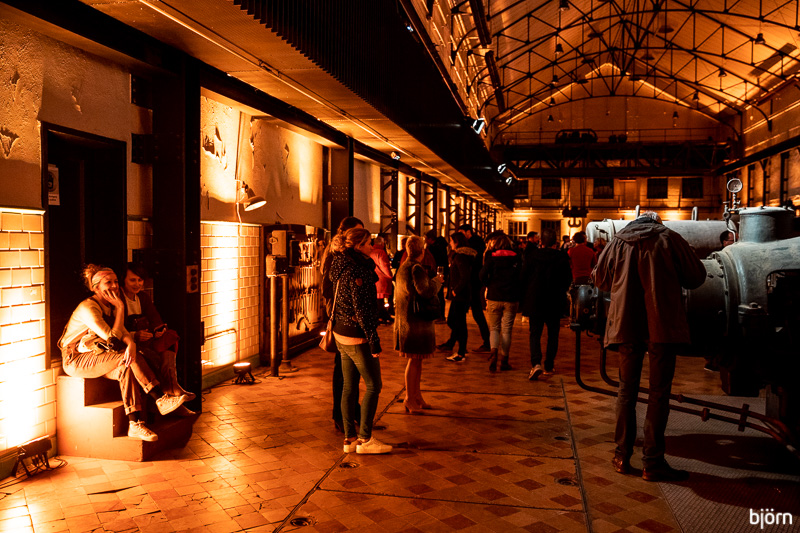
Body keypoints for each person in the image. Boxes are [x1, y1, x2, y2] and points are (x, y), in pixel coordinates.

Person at [593, 211, 706, 482]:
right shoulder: (670, 239)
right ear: (658, 223)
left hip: (626, 325)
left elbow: (601, 281)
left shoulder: (618, 241)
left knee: (626, 391)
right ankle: (652, 463)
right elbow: (696, 277)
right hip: (662, 326)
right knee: (658, 393)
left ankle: (622, 456)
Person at [58, 265, 189, 442]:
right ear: (96, 287)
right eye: (108, 283)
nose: (113, 286)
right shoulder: (89, 307)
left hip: (97, 354)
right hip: (75, 359)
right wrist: (120, 307)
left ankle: (135, 424)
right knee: (126, 358)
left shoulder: (109, 305)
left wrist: (131, 344)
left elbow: (123, 332)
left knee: (127, 365)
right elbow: (112, 339)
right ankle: (159, 397)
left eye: (115, 282)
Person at [329, 227, 392, 454]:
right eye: (368, 243)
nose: (372, 247)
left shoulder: (340, 264)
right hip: (357, 335)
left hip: (340, 332)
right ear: (358, 246)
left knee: (349, 385)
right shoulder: (358, 270)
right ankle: (365, 439)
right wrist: (374, 340)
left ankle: (349, 439)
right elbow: (363, 310)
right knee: (374, 385)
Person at [122, 263, 195, 416]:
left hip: (146, 339)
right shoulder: (119, 299)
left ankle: (172, 386)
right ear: (124, 280)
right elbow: (116, 330)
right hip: (129, 343)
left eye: (140, 280)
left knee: (170, 336)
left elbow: (155, 317)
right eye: (132, 280)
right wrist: (135, 334)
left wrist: (158, 330)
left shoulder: (142, 297)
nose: (137, 284)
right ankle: (171, 392)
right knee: (151, 358)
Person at [321, 216, 364, 434]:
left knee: (353, 369)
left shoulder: (351, 255)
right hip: (341, 318)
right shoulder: (334, 255)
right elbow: (327, 289)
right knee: (342, 368)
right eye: (357, 232)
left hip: (350, 318)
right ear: (345, 233)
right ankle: (339, 414)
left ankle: (352, 410)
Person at [394, 236, 443, 413]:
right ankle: (410, 398)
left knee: (417, 360)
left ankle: (417, 396)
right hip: (416, 322)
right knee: (414, 361)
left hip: (406, 319)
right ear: (422, 251)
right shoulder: (416, 268)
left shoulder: (403, 266)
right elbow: (426, 291)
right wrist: (437, 281)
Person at [521, 229, 572, 380]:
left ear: (541, 242)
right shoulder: (562, 257)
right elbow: (567, 279)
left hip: (535, 299)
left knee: (535, 334)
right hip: (554, 300)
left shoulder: (531, 256)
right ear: (555, 242)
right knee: (553, 334)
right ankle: (549, 365)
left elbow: (523, 277)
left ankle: (536, 363)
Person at [480, 233, 522, 372]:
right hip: (511, 296)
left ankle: (493, 352)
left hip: (494, 295)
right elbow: (521, 276)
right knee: (507, 329)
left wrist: (489, 284)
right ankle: (504, 360)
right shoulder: (517, 256)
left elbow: (481, 275)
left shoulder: (491, 257)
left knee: (494, 328)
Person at [438, 232, 476, 362]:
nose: (450, 243)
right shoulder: (463, 255)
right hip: (460, 295)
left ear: (457, 242)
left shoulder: (460, 257)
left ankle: (461, 351)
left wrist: (456, 290)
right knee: (455, 321)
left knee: (458, 322)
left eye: (451, 241)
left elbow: (465, 276)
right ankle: (459, 346)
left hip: (460, 295)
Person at [458, 224, 491, 352]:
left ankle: (486, 342)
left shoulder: (473, 244)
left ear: (468, 232)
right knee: (467, 313)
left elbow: (474, 263)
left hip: (473, 282)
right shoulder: (477, 242)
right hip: (474, 281)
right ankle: (456, 343)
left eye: (461, 232)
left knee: (474, 313)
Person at [425, 230, 449, 322]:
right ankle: (440, 315)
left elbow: (434, 261)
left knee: (438, 295)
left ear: (430, 239)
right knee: (439, 294)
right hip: (442, 272)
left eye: (426, 239)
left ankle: (439, 315)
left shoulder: (434, 248)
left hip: (437, 272)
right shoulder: (441, 246)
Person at [370, 236, 393, 324]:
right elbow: (385, 266)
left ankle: (379, 316)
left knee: (376, 299)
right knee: (381, 300)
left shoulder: (370, 251)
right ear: (382, 244)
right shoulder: (381, 252)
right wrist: (390, 276)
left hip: (373, 279)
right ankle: (383, 315)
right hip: (381, 279)